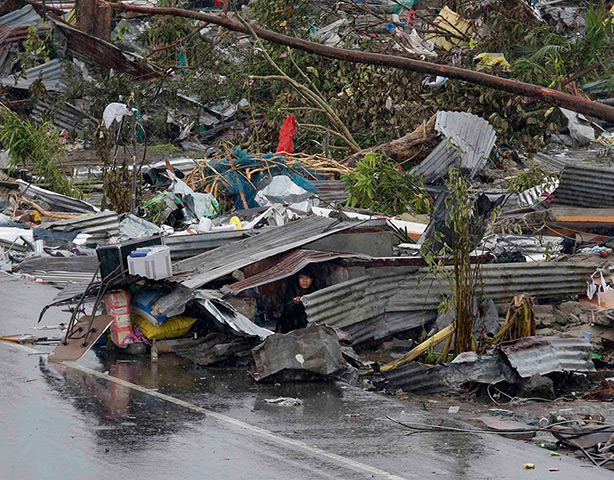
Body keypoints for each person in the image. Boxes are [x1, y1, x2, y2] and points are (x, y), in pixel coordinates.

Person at [278, 268, 317, 334]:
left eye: (307, 278)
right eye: (302, 278)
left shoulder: (314, 291)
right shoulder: (292, 290)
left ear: (312, 280)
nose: (305, 280)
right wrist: (294, 303)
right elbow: (286, 307)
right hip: (291, 324)